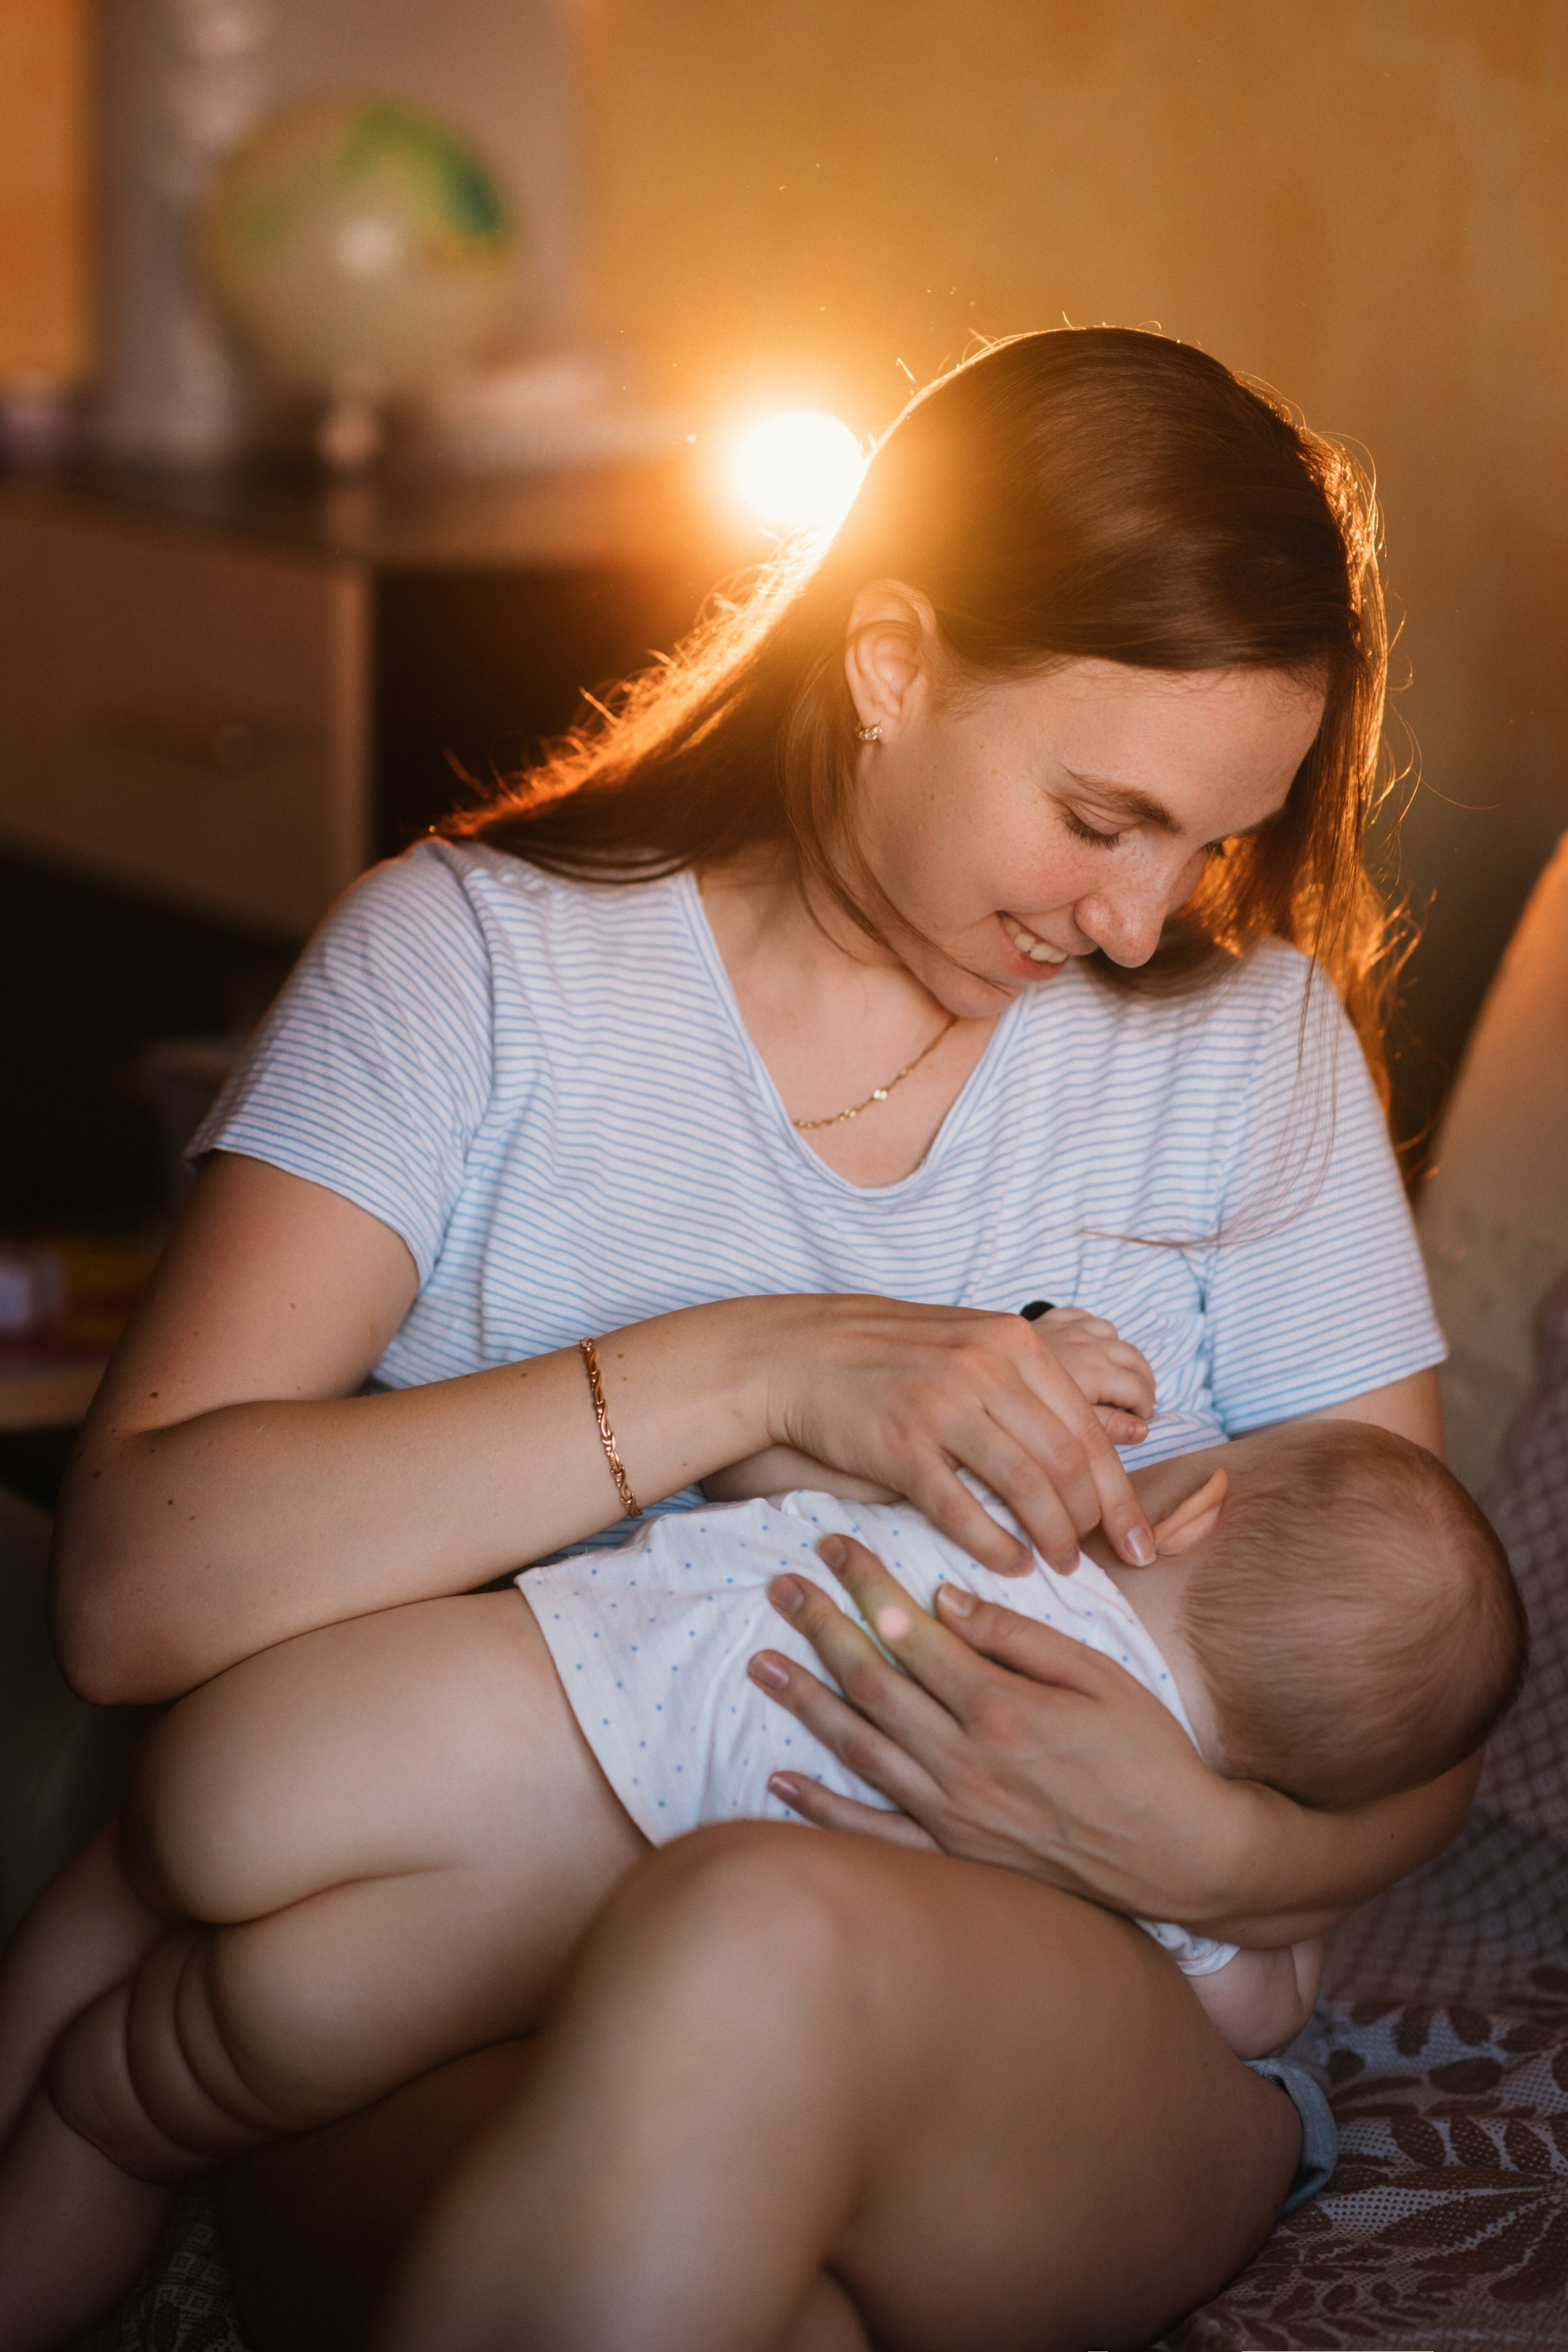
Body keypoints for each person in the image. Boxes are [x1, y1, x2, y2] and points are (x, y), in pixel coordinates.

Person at [37, 327, 1469, 2350]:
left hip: (1073, 2038)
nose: (1144, 922)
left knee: (752, 1932)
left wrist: (1208, 1844)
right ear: (891, 662)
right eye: (1097, 814)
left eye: (1211, 844)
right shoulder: (472, 968)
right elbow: (135, 1590)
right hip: (488, 1979)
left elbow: (1416, 1688)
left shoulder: (1254, 1056)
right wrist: (770, 1368)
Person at [0, 1406, 1527, 2350]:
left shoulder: (1005, 1517)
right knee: (137, 2097)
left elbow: (769, 1448)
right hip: (497, 1948)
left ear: (1191, 1500)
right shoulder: (1134, 1812)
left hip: (418, 1719)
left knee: (130, 1946)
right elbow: (1253, 2014)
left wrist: (1033, 1384)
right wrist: (1218, 1872)